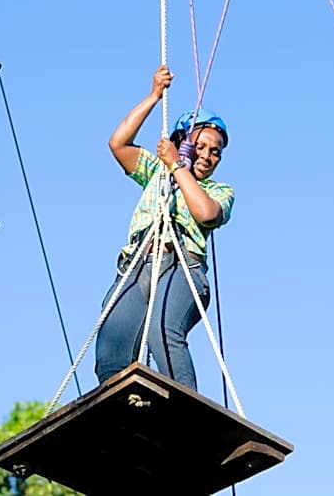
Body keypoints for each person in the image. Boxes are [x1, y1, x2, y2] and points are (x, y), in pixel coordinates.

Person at [94, 65, 234, 391]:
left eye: (215, 152)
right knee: (112, 349)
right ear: (182, 142)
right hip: (138, 263)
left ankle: (186, 409)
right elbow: (118, 144)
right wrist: (154, 96)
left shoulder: (218, 191)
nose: (208, 156)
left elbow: (206, 214)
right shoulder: (158, 173)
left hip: (182, 264)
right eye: (200, 146)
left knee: (162, 329)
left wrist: (176, 164)